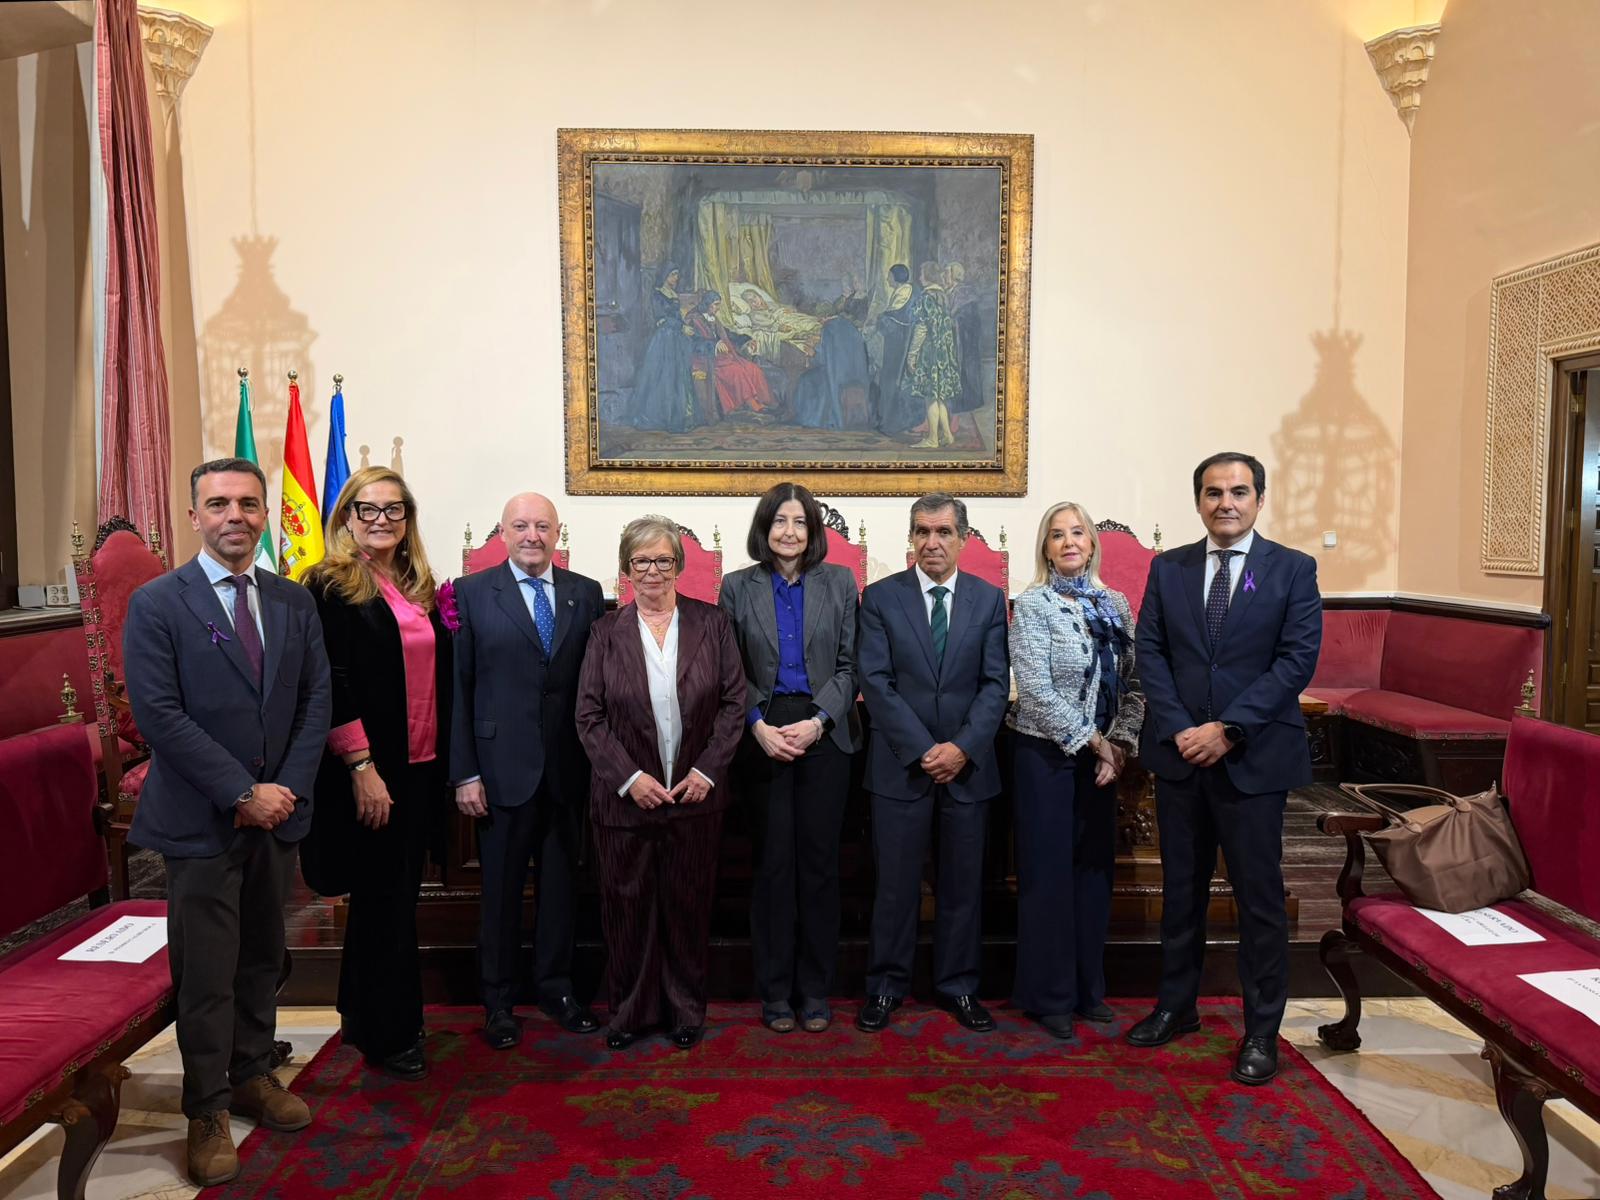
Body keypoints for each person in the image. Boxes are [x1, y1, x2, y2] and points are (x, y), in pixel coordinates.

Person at [123, 458, 331, 1187]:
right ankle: (205, 1108)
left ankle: (253, 1073)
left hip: (277, 818)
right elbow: (160, 716)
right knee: (206, 973)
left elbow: (315, 702)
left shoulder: (292, 602)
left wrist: (287, 792)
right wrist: (242, 791)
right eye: (218, 504)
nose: (234, 516)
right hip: (202, 819)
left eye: (247, 503)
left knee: (263, 959)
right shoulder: (158, 603)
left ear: (266, 512)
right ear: (194, 517)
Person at [1127, 452, 1322, 1086]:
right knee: (1179, 895)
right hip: (1181, 757)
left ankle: (1261, 1030)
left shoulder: (1292, 570)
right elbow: (1149, 651)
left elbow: (1295, 662)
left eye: (1239, 492)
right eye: (1213, 493)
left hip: (1253, 760)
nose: (1226, 503)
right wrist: (1185, 727)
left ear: (1260, 500)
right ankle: (1176, 1007)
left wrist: (1229, 728)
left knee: (1259, 901)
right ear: (1199, 502)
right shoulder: (1169, 568)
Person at [301, 467, 452, 1081]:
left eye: (395, 510)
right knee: (382, 899)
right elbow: (329, 680)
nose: (382, 520)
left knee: (393, 898)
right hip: (369, 768)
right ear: (347, 517)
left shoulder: (418, 585)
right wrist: (361, 766)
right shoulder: (328, 585)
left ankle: (370, 1015)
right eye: (369, 510)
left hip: (419, 765)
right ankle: (387, 1034)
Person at [576, 517, 745, 1051]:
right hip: (625, 803)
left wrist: (706, 771)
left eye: (663, 561)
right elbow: (589, 716)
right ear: (626, 570)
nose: (653, 571)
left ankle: (685, 1012)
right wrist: (630, 778)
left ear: (679, 566)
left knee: (687, 908)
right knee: (627, 912)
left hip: (696, 797)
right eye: (642, 562)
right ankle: (628, 1013)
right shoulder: (605, 632)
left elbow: (734, 703)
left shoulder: (713, 624)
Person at [450, 492, 606, 1049]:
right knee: (500, 894)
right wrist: (464, 773)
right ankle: (498, 1001)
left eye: (543, 525)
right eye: (521, 526)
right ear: (502, 532)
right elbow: (458, 689)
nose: (532, 535)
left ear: (556, 532)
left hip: (568, 771)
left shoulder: (584, 594)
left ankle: (557, 989)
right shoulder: (467, 594)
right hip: (498, 772)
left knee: (562, 889)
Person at [856, 493, 1010, 1033]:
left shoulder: (990, 600)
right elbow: (874, 681)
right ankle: (885, 987)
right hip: (901, 766)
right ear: (911, 538)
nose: (932, 542)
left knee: (963, 886)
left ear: (963, 539)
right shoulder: (879, 598)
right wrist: (924, 749)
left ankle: (959, 986)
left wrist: (962, 748)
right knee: (894, 887)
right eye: (922, 531)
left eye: (943, 532)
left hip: (969, 769)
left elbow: (995, 684)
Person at [719, 483, 860, 1033]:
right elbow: (731, 671)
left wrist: (819, 720)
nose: (789, 532)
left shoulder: (841, 583)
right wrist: (757, 725)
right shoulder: (736, 586)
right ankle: (775, 992)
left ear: (814, 531)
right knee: (773, 867)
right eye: (780, 521)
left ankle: (815, 990)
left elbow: (851, 666)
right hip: (762, 733)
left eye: (800, 522)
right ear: (764, 527)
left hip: (826, 731)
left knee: (820, 868)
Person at [1008, 502, 1144, 1040]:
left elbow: (1135, 684)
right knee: (1047, 877)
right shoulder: (1033, 604)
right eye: (1057, 535)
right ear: (1045, 547)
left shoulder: (1116, 604)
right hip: (1045, 754)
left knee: (1093, 875)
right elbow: (1035, 689)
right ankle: (1050, 995)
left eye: (1078, 533)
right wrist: (1094, 742)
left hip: (1105, 761)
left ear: (1092, 543)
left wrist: (1121, 744)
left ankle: (1090, 989)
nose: (1068, 542)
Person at [687, 291, 772, 419]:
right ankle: (752, 405)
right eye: (715, 305)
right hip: (705, 359)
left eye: (718, 305)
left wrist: (746, 339)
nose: (717, 308)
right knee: (736, 371)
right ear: (707, 304)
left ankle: (764, 402)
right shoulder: (692, 319)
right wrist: (714, 345)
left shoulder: (713, 318)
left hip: (722, 358)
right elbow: (693, 344)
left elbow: (727, 335)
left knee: (752, 369)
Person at [905, 262, 961, 448]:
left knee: (930, 396)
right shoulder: (943, 296)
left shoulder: (926, 298)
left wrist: (911, 355)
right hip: (944, 352)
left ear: (928, 276)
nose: (920, 277)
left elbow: (921, 330)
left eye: (922, 274)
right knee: (940, 397)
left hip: (930, 353)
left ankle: (932, 439)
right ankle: (947, 435)